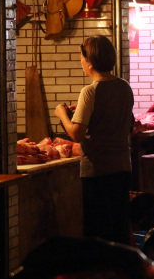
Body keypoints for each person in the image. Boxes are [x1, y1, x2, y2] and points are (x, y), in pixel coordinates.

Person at [54, 35, 135, 244]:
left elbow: (76, 134)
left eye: (82, 57)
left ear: (90, 62)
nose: (81, 62)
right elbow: (127, 122)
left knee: (99, 234)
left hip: (97, 172)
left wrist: (62, 113)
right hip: (123, 168)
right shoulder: (124, 86)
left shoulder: (90, 91)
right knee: (119, 229)